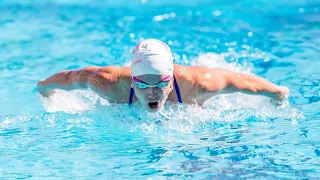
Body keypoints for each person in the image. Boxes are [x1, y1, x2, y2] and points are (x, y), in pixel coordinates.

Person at [37, 39, 289, 112]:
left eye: (161, 83)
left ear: (171, 80)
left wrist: (278, 93)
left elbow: (245, 82)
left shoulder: (199, 84)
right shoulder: (109, 83)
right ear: (133, 80)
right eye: (143, 83)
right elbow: (72, 77)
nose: (152, 91)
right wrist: (45, 88)